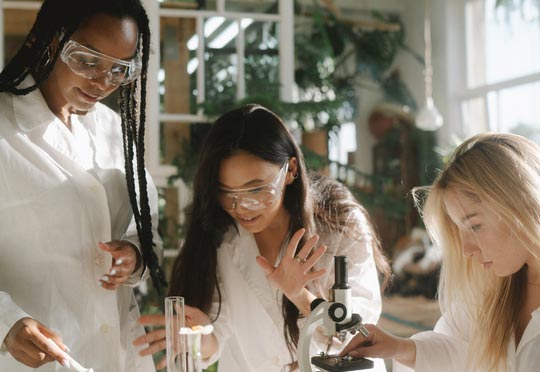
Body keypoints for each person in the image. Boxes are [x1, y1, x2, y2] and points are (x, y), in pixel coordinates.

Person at [134, 104, 391, 371]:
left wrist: (299, 295)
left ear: (290, 170)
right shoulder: (218, 231)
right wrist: (199, 338)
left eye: (256, 189)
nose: (241, 206)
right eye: (226, 192)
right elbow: (217, 332)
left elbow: (358, 336)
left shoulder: (339, 222)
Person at [0, 0, 166, 371]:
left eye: (119, 69)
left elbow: (147, 229)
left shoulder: (114, 132)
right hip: (33, 359)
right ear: (50, 41)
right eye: (88, 60)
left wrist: (135, 257)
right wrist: (4, 322)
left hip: (119, 354)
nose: (102, 82)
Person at [340, 132, 540, 372]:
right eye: (460, 231)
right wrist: (399, 347)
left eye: (475, 226)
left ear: (523, 205)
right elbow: (458, 347)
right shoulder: (492, 287)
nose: (466, 249)